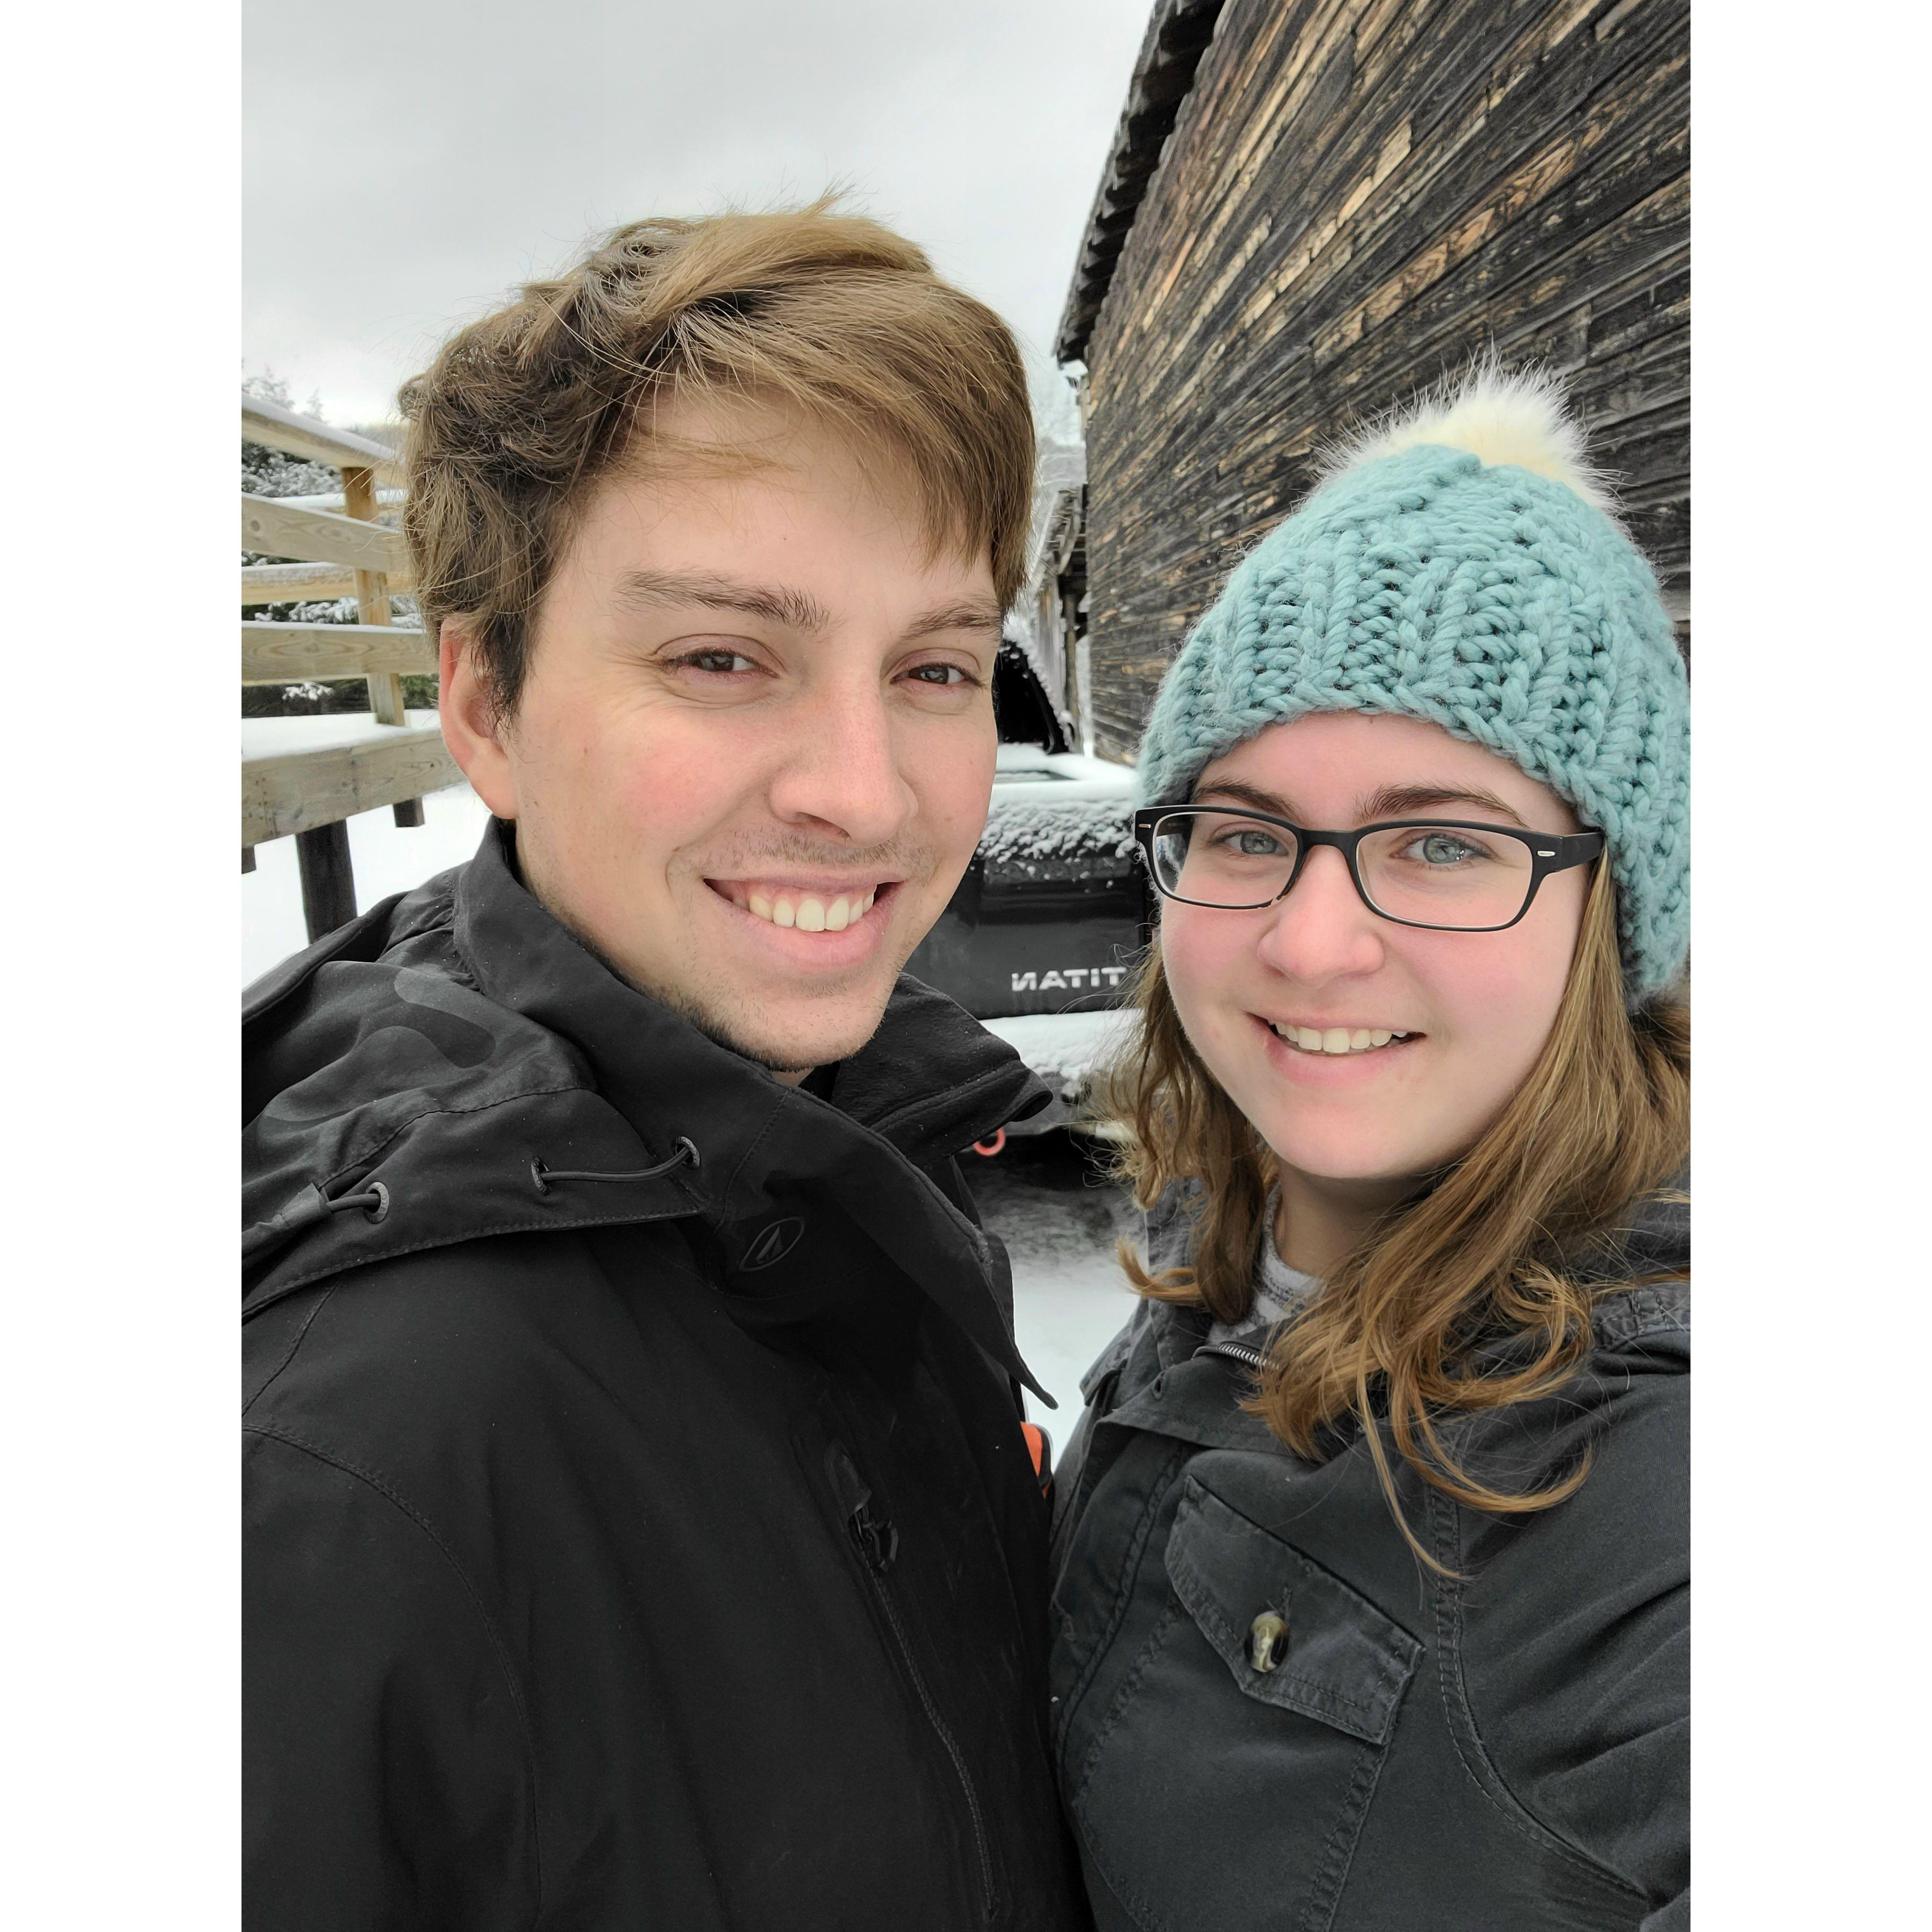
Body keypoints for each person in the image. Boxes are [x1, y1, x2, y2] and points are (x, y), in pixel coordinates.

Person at [243, 203, 1089, 1929]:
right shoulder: (341, 1468)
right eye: (721, 657)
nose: (865, 790)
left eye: (936, 667)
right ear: (487, 708)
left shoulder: (843, 1135)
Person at [1047, 366, 1689, 1931]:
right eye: (1246, 832)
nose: (1311, 942)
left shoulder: (1657, 1507)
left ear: (1613, 914)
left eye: (1445, 843)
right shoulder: (1230, 1238)